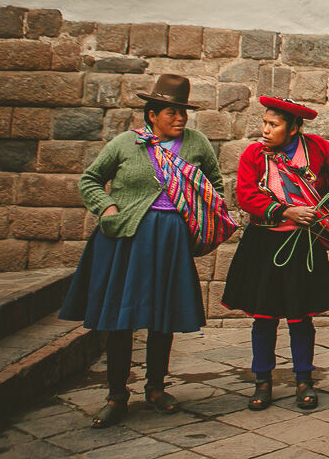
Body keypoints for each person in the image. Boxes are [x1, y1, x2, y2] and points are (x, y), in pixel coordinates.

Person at [60, 74, 220, 427]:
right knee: (121, 317)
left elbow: (215, 185)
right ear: (152, 114)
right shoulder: (125, 144)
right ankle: (117, 395)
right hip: (126, 239)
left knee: (162, 316)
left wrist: (198, 219)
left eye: (183, 112)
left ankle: (156, 389)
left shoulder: (196, 145)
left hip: (170, 240)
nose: (180, 119)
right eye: (172, 112)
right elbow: (89, 179)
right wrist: (107, 208)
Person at [222, 96, 329, 411]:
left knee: (300, 316)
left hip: (302, 244)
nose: (265, 130)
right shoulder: (254, 154)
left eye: (273, 125)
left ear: (293, 128)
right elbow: (246, 195)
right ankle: (262, 381)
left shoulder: (317, 149)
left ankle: (304, 379)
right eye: (265, 123)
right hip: (264, 242)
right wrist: (286, 211)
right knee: (264, 317)